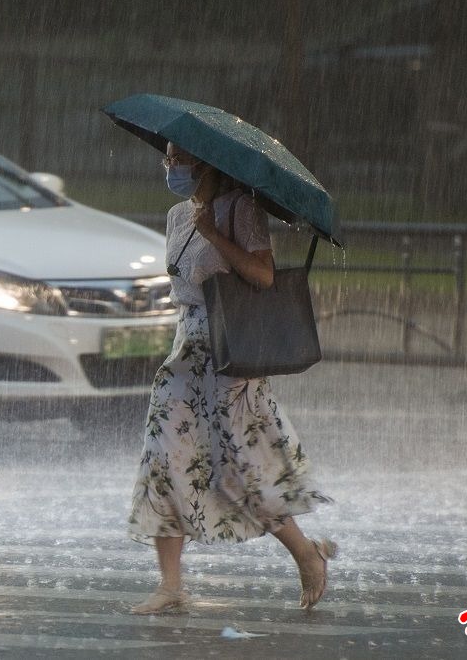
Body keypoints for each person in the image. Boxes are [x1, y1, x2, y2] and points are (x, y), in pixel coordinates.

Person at [128, 141, 335, 615]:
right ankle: (171, 585)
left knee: (242, 462)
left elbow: (262, 276)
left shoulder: (241, 208)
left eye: (178, 157)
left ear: (206, 162)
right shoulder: (178, 214)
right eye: (167, 157)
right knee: (165, 456)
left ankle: (307, 555)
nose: (170, 166)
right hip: (187, 348)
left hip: (232, 352)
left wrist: (215, 235)